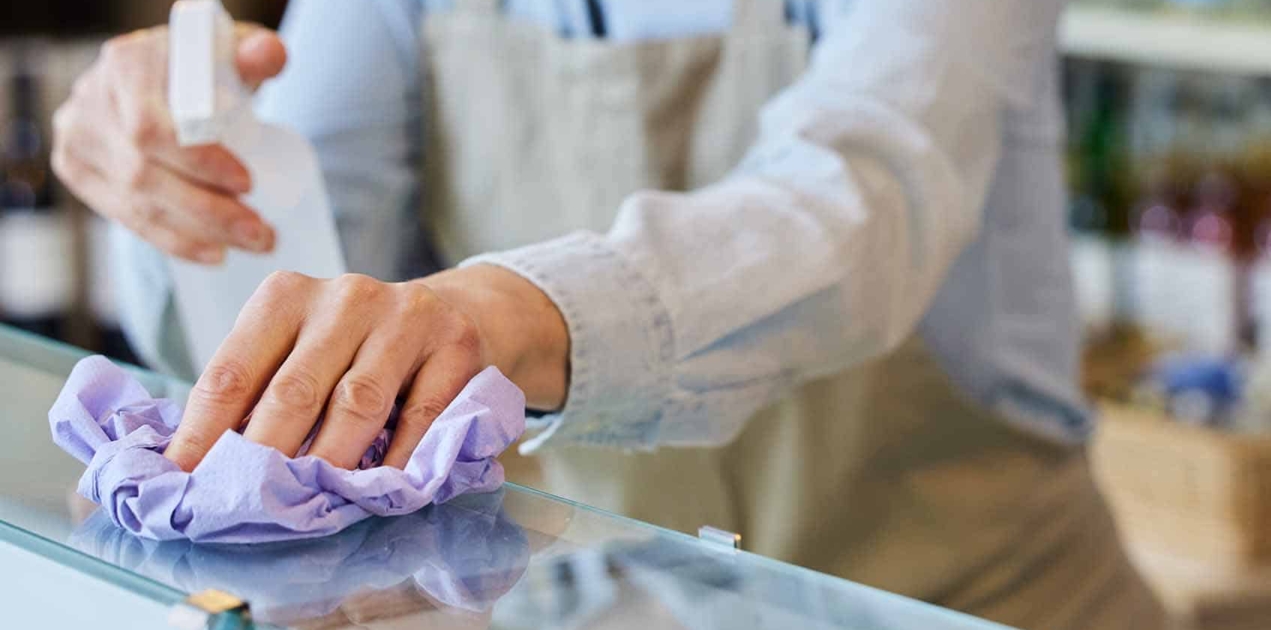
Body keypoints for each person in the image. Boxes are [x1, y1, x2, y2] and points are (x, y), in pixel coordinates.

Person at [51, 0, 1166, 627]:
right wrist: (183, 172)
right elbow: (288, 305)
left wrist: (503, 312)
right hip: (599, 607)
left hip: (967, 595)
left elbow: (863, 204)